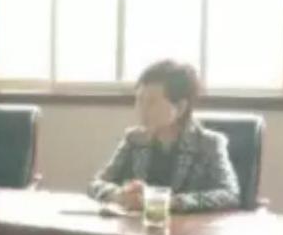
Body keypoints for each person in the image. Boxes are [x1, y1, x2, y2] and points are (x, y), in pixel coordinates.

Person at [89, 60, 240, 213]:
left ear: (180, 107)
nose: (142, 110)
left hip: (186, 227)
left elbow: (229, 194)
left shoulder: (209, 143)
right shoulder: (134, 139)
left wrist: (171, 202)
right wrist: (120, 195)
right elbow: (96, 184)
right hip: (137, 225)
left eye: (152, 102)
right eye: (139, 100)